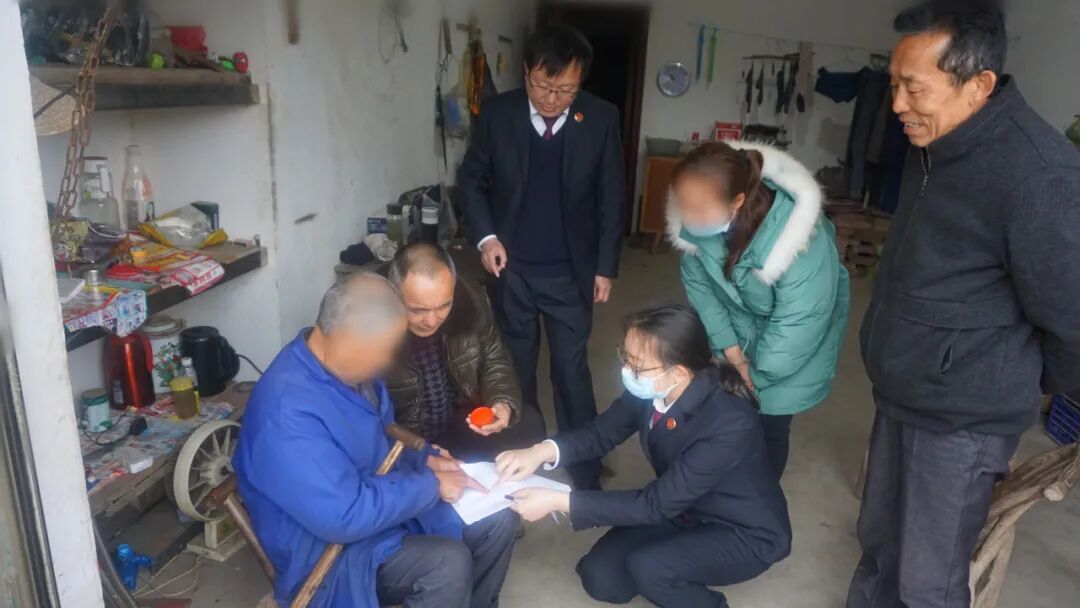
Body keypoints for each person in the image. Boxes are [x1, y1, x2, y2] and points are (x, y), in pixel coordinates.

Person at [848, 3, 1080, 607]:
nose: (897, 104)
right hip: (904, 387)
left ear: (978, 85)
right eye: (893, 84)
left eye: (914, 87)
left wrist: (1005, 378)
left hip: (963, 417)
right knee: (878, 545)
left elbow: (1071, 317)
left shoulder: (1040, 176)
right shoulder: (933, 140)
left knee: (927, 581)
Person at [232, 272, 518, 608]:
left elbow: (381, 434)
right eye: (383, 352)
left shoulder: (347, 372)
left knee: (498, 519)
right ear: (345, 338)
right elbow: (344, 517)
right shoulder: (286, 413)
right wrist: (431, 484)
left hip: (381, 500)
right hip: (330, 551)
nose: (387, 362)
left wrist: (425, 457)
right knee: (445, 565)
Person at [495, 304, 792, 608]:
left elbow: (655, 504)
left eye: (637, 365)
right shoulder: (656, 389)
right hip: (684, 507)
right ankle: (676, 565)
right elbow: (600, 433)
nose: (627, 371)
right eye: (625, 357)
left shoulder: (729, 422)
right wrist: (540, 451)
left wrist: (559, 501)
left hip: (740, 530)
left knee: (651, 568)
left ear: (679, 371)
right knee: (600, 577)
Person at [458, 25, 626, 490]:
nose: (552, 99)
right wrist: (486, 238)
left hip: (571, 273)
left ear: (580, 81)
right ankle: (521, 459)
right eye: (542, 86)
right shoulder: (498, 114)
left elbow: (612, 196)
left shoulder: (600, 118)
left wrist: (605, 265)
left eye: (566, 90)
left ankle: (585, 467)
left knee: (571, 372)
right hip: (511, 270)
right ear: (526, 72)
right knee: (515, 370)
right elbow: (471, 180)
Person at [667, 140, 850, 477]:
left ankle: (761, 502)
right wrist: (732, 354)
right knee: (723, 421)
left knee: (769, 426)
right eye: (683, 206)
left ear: (737, 202)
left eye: (700, 210)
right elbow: (704, 296)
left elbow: (800, 321)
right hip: (738, 334)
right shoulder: (696, 231)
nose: (689, 219)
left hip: (788, 349)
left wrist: (757, 375)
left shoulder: (800, 239)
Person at [385, 243, 547, 461]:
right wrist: (420, 453)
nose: (431, 321)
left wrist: (501, 403)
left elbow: (493, 358)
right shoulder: (371, 327)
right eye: (418, 310)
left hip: (459, 422)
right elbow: (366, 419)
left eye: (444, 306)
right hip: (407, 439)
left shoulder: (471, 303)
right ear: (394, 295)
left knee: (529, 424)